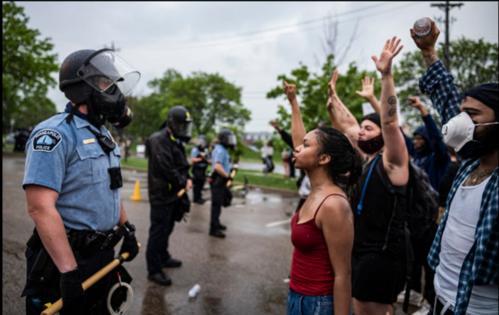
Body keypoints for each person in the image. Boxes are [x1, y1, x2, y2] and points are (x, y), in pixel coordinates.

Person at [21, 48, 140, 315]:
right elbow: (40, 207)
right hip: (63, 261)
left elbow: (111, 188)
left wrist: (127, 227)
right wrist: (68, 271)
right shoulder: (54, 134)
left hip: (101, 257)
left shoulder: (104, 135)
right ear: (81, 88)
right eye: (106, 83)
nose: (114, 92)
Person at [412, 20, 498, 315]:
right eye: (462, 112)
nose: (460, 121)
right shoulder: (470, 162)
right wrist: (429, 53)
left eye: (471, 114)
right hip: (442, 298)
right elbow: (448, 97)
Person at [328, 37, 410, 315]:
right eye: (362, 128)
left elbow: (389, 122)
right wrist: (334, 97)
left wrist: (387, 76)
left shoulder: (392, 163)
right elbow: (347, 124)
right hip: (362, 253)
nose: (361, 132)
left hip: (382, 257)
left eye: (368, 129)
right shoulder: (368, 159)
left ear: (384, 138)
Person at [283, 80, 360, 315]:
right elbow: (299, 142)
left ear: (324, 159)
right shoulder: (315, 190)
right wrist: (294, 103)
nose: (297, 149)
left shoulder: (334, 205)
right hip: (298, 296)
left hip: (319, 304)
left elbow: (343, 275)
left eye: (306, 146)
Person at [145, 105, 193, 286]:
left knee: (168, 228)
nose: (184, 129)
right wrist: (183, 181)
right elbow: (165, 167)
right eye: (182, 125)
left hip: (173, 194)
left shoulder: (174, 140)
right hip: (161, 195)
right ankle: (154, 270)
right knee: (158, 231)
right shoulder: (159, 139)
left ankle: (163, 257)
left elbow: (181, 165)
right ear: (172, 123)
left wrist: (186, 178)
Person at [209, 129, 236, 238]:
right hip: (218, 180)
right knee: (216, 205)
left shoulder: (222, 149)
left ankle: (217, 223)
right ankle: (213, 229)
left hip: (221, 180)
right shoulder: (220, 150)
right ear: (224, 139)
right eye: (229, 139)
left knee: (220, 202)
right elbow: (217, 166)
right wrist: (227, 176)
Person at [191, 135, 210, 204]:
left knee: (201, 184)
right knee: (197, 185)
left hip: (203, 170)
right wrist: (201, 158)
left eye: (203, 142)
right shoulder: (195, 149)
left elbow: (209, 160)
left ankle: (199, 197)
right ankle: (196, 199)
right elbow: (193, 160)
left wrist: (206, 159)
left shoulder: (206, 150)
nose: (202, 143)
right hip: (197, 170)